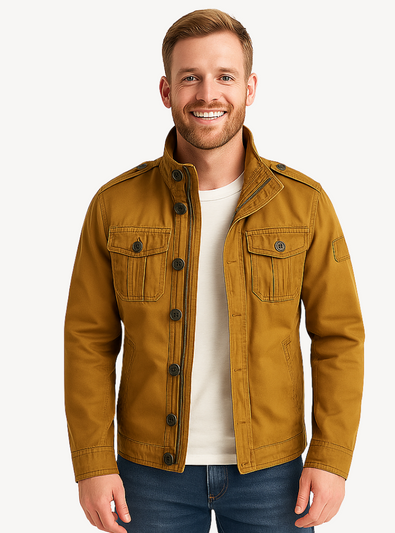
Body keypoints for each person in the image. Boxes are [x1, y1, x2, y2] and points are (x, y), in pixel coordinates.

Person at [64, 8, 364, 533]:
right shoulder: (115, 205)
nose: (208, 93)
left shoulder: (305, 204)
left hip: (273, 473)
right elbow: (88, 339)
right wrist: (92, 462)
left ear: (250, 88)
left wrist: (331, 456)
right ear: (166, 91)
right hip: (148, 475)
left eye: (225, 76)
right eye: (190, 77)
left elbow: (339, 336)